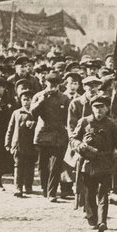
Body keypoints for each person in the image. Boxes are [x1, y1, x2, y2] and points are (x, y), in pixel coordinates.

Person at [71, 94, 117, 232]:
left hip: (106, 162)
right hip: (88, 163)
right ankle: (92, 219)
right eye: (96, 107)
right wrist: (79, 145)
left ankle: (102, 221)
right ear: (92, 108)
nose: (99, 110)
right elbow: (73, 139)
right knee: (90, 192)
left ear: (107, 108)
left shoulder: (111, 124)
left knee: (104, 193)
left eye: (102, 107)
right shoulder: (84, 122)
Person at [31, 72, 71, 201]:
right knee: (43, 165)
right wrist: (42, 100)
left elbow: (68, 118)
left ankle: (52, 192)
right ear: (45, 84)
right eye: (50, 84)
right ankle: (45, 189)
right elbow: (33, 113)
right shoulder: (38, 96)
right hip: (43, 134)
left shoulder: (64, 98)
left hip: (58, 135)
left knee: (56, 165)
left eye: (55, 85)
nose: (52, 87)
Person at [6, 88, 39, 197]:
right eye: (24, 100)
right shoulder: (16, 112)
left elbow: (40, 127)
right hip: (18, 144)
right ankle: (18, 187)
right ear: (20, 101)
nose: (26, 102)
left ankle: (28, 186)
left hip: (31, 144)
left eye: (29, 99)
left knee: (30, 166)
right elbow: (10, 129)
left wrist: (33, 124)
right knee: (18, 166)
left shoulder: (36, 113)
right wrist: (8, 142)